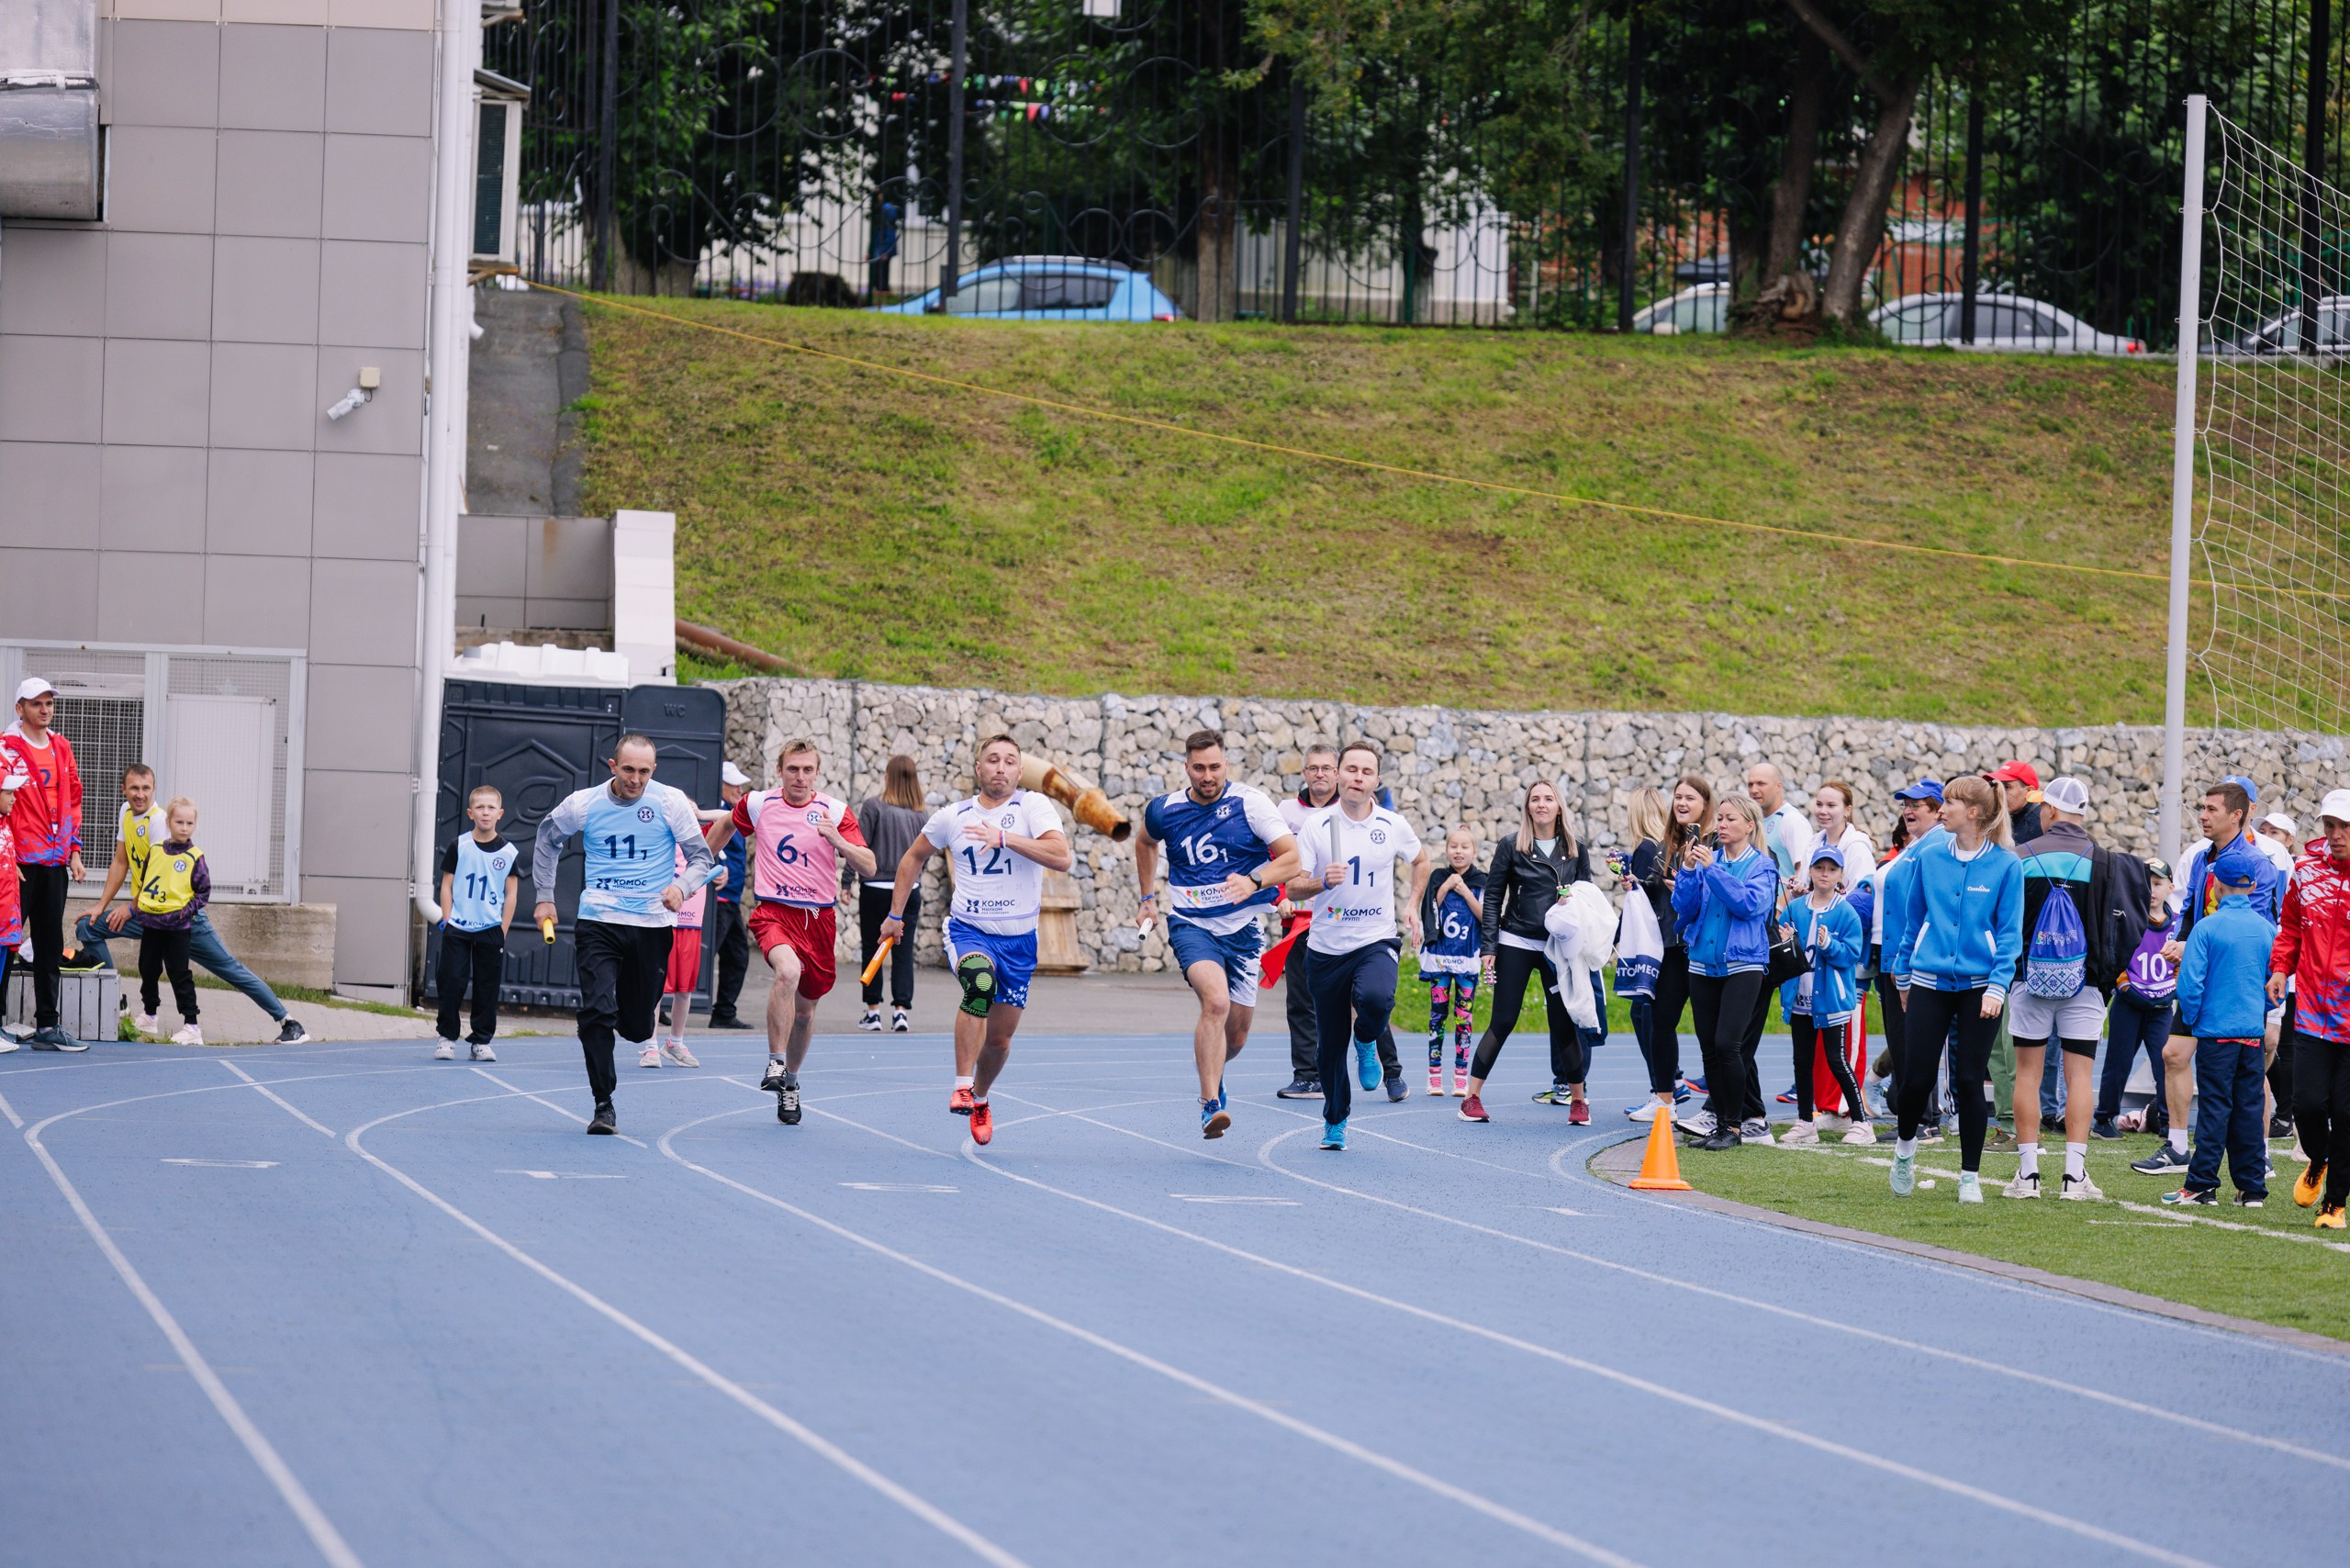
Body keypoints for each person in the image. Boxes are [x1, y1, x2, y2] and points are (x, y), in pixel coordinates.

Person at [880, 734, 1072, 1148]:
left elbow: (1061, 856)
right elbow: (913, 857)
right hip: (970, 930)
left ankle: (981, 1097)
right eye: (992, 760)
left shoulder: (1033, 807)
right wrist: (895, 915)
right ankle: (962, 1084)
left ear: (1020, 772)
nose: (1000, 767)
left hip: (1019, 941)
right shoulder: (953, 816)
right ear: (978, 769)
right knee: (979, 983)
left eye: (1009, 761)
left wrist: (1004, 839)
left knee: (1000, 1041)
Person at [531, 735, 718, 1136]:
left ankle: (620, 1025)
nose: (636, 780)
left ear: (654, 771)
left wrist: (681, 888)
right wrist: (545, 897)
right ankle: (603, 1104)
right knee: (596, 1012)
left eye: (644, 772)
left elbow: (703, 858)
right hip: (599, 920)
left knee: (635, 1027)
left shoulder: (669, 802)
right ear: (612, 766)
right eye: (628, 770)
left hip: (651, 926)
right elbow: (547, 838)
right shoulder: (584, 803)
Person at [1135, 731, 1302, 1137]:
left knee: (1238, 1034)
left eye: (1214, 767)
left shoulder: (1251, 803)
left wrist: (1253, 880)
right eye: (1198, 768)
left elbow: (1293, 858)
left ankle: (1216, 1070)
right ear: (1186, 768)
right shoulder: (1165, 810)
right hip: (1192, 923)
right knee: (1215, 1002)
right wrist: (1147, 898)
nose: (1207, 775)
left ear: (1225, 765)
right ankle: (1210, 1104)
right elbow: (1144, 842)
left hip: (1243, 929)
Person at [74, 764, 311, 1045]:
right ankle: (119, 1004)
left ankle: (289, 1022)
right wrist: (102, 906)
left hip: (183, 918)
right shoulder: (126, 813)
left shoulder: (160, 824)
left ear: (154, 790)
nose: (140, 794)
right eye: (134, 788)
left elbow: (165, 878)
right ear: (123, 789)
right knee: (88, 928)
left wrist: (130, 908)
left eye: (146, 788)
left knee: (228, 969)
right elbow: (120, 861)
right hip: (149, 914)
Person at [704, 739, 875, 1125]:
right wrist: (698, 866)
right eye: (792, 769)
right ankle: (775, 1064)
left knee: (806, 1012)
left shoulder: (835, 811)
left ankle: (792, 1084)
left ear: (817, 773)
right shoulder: (760, 804)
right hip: (773, 912)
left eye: (807, 770)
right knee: (787, 971)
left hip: (817, 919)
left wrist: (839, 841)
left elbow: (869, 865)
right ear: (779, 771)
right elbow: (727, 823)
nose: (800, 776)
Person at [1281, 743, 1427, 1148]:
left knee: (1377, 999)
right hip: (1326, 948)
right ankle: (1335, 1121)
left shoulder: (1392, 824)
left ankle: (1367, 1038)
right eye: (1351, 770)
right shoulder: (1317, 826)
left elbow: (1421, 861)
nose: (1358, 777)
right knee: (1329, 1048)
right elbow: (1294, 885)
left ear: (1376, 781)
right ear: (1339, 775)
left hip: (1374, 938)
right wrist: (1321, 882)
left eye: (1367, 771)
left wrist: (1412, 905)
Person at [1887, 775, 2024, 1202]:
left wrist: (1997, 987)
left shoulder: (2006, 865)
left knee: (1968, 1080)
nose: (1940, 809)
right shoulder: (1930, 857)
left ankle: (1970, 1177)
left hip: (1980, 987)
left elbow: (2009, 935)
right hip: (1928, 980)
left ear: (1975, 813)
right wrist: (1904, 975)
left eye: (1949, 803)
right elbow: (1914, 922)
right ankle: (1905, 1150)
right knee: (1917, 1078)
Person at [2002, 775, 2138, 1200]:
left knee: (2028, 1072)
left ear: (2051, 811)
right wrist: (2106, 976)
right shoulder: (2106, 862)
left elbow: (2003, 922)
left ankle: (2027, 1175)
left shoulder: (2019, 856)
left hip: (2030, 978)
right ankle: (2074, 1176)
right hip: (2086, 984)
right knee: (2079, 1075)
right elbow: (2125, 928)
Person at [2136, 779, 2279, 1178]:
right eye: (2202, 807)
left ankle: (2260, 1153)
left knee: (2251, 1071)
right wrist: (2180, 945)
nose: (2202, 814)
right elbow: (2190, 914)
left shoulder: (2256, 863)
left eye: (2211, 809)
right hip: (2201, 978)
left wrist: (2195, 948)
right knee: (2173, 1055)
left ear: (2237, 815)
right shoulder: (2201, 858)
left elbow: (2251, 927)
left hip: (2235, 985)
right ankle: (2178, 1146)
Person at [1460, 780, 1595, 1121]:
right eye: (1535, 799)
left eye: (1549, 798)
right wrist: (1488, 945)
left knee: (1563, 1022)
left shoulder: (1576, 847)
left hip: (1557, 946)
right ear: (1528, 807)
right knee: (1503, 1020)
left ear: (1559, 806)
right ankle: (1471, 1098)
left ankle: (1578, 1102)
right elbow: (1492, 898)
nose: (1542, 804)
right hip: (1516, 939)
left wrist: (1573, 904)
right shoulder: (1511, 846)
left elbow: (1588, 898)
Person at [2163, 841, 2277, 1207]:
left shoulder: (2207, 928)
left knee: (2214, 1108)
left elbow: (2190, 985)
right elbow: (2273, 982)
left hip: (2216, 1033)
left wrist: (2196, 1019)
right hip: (2251, 1032)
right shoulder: (2265, 930)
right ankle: (2252, 1189)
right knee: (2247, 1107)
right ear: (2255, 886)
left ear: (2214, 886)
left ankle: (2202, 1185)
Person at [1669, 794, 1779, 1150]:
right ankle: (1718, 1125)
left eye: (1731, 819)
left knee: (1727, 1045)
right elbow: (1683, 911)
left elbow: (1749, 905)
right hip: (1702, 963)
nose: (1722, 825)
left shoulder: (1762, 866)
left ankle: (1733, 1126)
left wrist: (1711, 871)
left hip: (1743, 964)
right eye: (1720, 819)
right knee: (1708, 1050)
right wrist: (1687, 872)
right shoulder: (1706, 860)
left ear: (1750, 825)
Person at [2272, 790, 2350, 1227]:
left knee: (2346, 1112)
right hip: (2311, 1013)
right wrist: (2281, 969)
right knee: (2305, 1105)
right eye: (2330, 826)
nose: (2335, 835)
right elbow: (2291, 928)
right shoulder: (2305, 871)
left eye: (2344, 827)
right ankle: (2317, 1160)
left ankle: (2335, 1203)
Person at [3, 678, 86, 1050]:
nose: (44, 709)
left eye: (49, 703)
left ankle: (48, 1027)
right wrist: (5, 857)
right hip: (19, 863)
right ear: (19, 708)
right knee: (6, 941)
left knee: (50, 943)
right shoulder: (6, 749)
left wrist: (74, 851)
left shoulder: (61, 746)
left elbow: (72, 801)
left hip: (55, 863)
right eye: (36, 703)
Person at [1775, 844, 1871, 1145]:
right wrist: (1786, 941)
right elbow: (1782, 948)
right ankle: (1805, 1122)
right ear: (1811, 871)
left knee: (1836, 1060)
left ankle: (1861, 1122)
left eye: (1831, 869)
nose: (1824, 874)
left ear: (1841, 874)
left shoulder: (1846, 913)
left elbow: (1851, 955)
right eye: (1819, 868)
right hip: (1800, 999)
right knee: (1801, 1061)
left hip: (1831, 1000)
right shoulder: (1795, 908)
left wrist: (1830, 944)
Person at [1873, 781, 1951, 1138]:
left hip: (1908, 958)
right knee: (1905, 1041)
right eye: (1905, 803)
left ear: (1938, 810)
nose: (1908, 809)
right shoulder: (1917, 844)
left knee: (1910, 1043)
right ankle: (1921, 1118)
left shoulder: (1934, 844)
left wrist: (1905, 958)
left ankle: (1920, 1120)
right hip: (1891, 954)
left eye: (1918, 804)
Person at [1796, 780, 1876, 1118]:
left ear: (1847, 810)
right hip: (1814, 957)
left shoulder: (1856, 846)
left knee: (1845, 1035)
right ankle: (1824, 1106)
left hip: (1846, 955)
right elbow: (1805, 888)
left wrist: (1834, 920)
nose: (1823, 811)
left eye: (1832, 805)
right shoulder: (1814, 842)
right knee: (1817, 1038)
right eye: (1819, 804)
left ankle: (1846, 1108)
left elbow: (1864, 895)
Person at [1647, 776, 1715, 1126]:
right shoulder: (1666, 846)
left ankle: (1722, 1107)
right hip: (1673, 946)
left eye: (1690, 798)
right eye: (1677, 797)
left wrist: (1692, 883)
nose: (1682, 803)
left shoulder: (1717, 843)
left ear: (1706, 804)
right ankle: (1664, 1101)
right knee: (1661, 1021)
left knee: (1713, 1032)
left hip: (1705, 948)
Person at [434, 784, 519, 1062]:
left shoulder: (508, 852)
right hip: (458, 927)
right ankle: (446, 1037)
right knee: (451, 983)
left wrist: (502, 929)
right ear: (470, 812)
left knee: (487, 986)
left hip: (490, 929)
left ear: (500, 813)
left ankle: (481, 1041)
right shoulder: (459, 845)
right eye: (480, 807)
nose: (485, 812)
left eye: (491, 807)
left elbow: (511, 894)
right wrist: (447, 918)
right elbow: (446, 885)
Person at [2094, 857, 2177, 1140]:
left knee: (2165, 1063)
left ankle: (2168, 1120)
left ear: (2170, 887)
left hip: (2162, 1006)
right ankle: (2104, 1118)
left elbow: (2182, 964)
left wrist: (2172, 989)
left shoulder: (2177, 926)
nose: (2151, 890)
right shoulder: (2127, 919)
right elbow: (2116, 957)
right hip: (2129, 1004)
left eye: (2157, 884)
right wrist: (2127, 988)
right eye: (2145, 884)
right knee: (2117, 1063)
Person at [1617, 787, 1683, 1121]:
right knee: (1655, 1016)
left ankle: (1664, 1086)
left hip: (1653, 942)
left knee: (1648, 1015)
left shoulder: (1645, 848)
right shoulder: (1666, 847)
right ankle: (1666, 1084)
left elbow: (1642, 900)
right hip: (1669, 939)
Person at [856, 755, 929, 1033]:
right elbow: (924, 857)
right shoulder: (921, 815)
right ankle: (901, 1011)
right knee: (903, 951)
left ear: (888, 776)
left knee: (872, 947)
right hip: (910, 890)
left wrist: (848, 882)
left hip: (875, 887)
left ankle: (872, 1011)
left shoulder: (873, 807)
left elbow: (860, 847)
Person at [133, 796, 209, 1046]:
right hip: (152, 924)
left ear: (194, 825)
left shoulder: (195, 857)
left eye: (189, 823)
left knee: (179, 973)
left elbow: (203, 891)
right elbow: (145, 880)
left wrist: (184, 912)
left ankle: (191, 1025)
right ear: (169, 822)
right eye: (179, 822)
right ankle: (150, 1014)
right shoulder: (156, 850)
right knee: (148, 968)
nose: (184, 827)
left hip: (177, 927)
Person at [1418, 827, 1486, 1096]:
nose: (1458, 851)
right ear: (1447, 850)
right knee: (1437, 1016)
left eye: (1464, 847)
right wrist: (1447, 886)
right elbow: (1429, 907)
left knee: (1464, 1018)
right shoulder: (1438, 877)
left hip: (1467, 960)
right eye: (1453, 847)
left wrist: (1466, 892)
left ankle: (1461, 1075)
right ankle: (1434, 1075)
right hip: (1440, 959)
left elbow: (1487, 916)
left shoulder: (1482, 880)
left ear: (1474, 851)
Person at [647, 844, 710, 1070]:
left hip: (691, 921)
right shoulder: (660, 831)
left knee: (685, 989)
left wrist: (700, 814)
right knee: (656, 985)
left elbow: (731, 817)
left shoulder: (703, 835)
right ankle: (650, 1045)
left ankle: (675, 1043)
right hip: (663, 918)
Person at [703, 761, 755, 1029]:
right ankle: (660, 1005)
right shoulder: (717, 813)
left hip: (730, 898)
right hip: (718, 899)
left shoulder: (735, 812)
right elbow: (702, 843)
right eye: (733, 783)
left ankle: (724, 1011)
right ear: (719, 785)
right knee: (701, 957)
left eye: (740, 783)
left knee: (736, 955)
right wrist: (714, 870)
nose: (739, 789)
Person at [1744, 762, 1816, 885]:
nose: (1754, 790)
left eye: (1761, 784)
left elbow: (1805, 871)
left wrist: (1781, 904)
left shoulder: (1792, 820)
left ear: (1778, 786)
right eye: (1750, 785)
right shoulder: (1754, 822)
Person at [1990, 761, 2043, 846]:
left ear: (2029, 791)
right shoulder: (1994, 815)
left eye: (2007, 787)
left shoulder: (2039, 825)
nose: (1999, 792)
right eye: (1998, 786)